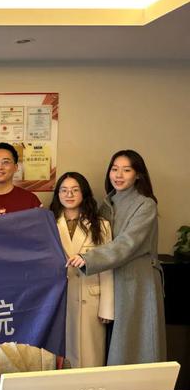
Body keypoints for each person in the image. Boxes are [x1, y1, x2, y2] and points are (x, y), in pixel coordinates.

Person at [67, 150, 166, 365]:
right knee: (111, 345)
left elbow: (128, 243)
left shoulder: (145, 204)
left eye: (126, 170)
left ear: (138, 175)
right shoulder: (107, 204)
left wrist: (88, 258)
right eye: (114, 169)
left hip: (137, 282)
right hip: (112, 281)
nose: (118, 175)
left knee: (137, 344)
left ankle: (142, 388)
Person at [50, 172, 114, 368]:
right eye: (64, 190)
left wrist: (107, 307)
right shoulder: (49, 224)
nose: (69, 194)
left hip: (90, 300)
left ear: (84, 193)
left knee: (90, 356)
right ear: (58, 194)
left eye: (74, 190)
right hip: (59, 301)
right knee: (60, 357)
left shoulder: (101, 225)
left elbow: (107, 267)